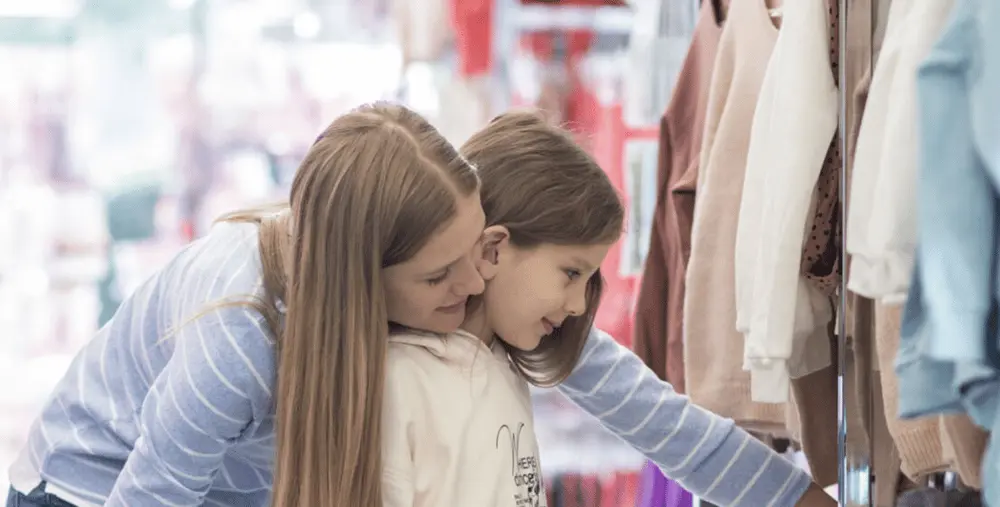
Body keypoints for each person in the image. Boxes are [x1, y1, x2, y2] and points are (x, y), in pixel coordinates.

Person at [5, 103, 833, 507]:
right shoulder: (239, 333)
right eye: (445, 274)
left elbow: (653, 414)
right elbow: (151, 494)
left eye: (477, 255)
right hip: (87, 487)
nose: (472, 284)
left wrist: (799, 498)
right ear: (375, 272)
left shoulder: (452, 292)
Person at [381, 110, 626, 506]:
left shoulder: (502, 370)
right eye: (570, 273)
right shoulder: (402, 380)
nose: (580, 305)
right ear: (494, 249)